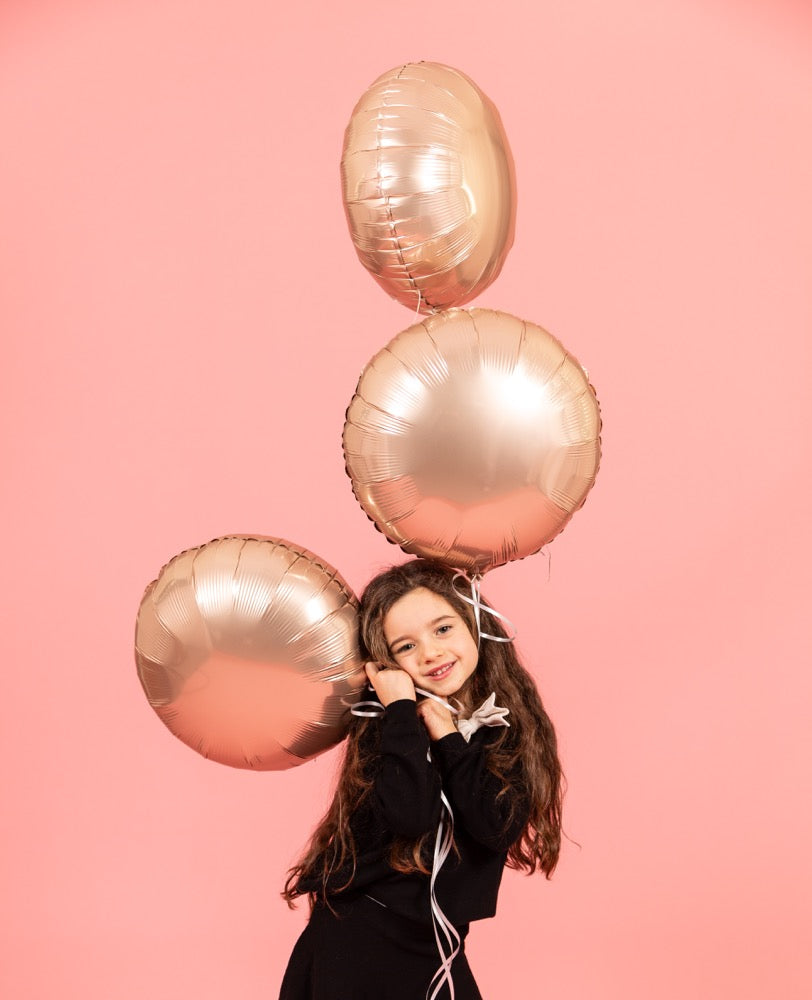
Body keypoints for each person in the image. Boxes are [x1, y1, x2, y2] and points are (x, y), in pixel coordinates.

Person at [279, 559, 563, 1000]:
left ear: (474, 625)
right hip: (359, 940)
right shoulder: (392, 726)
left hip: (437, 948)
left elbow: (494, 827)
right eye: (406, 646)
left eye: (443, 629)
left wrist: (449, 736)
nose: (430, 653)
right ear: (386, 663)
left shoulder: (509, 723)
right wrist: (402, 714)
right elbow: (411, 816)